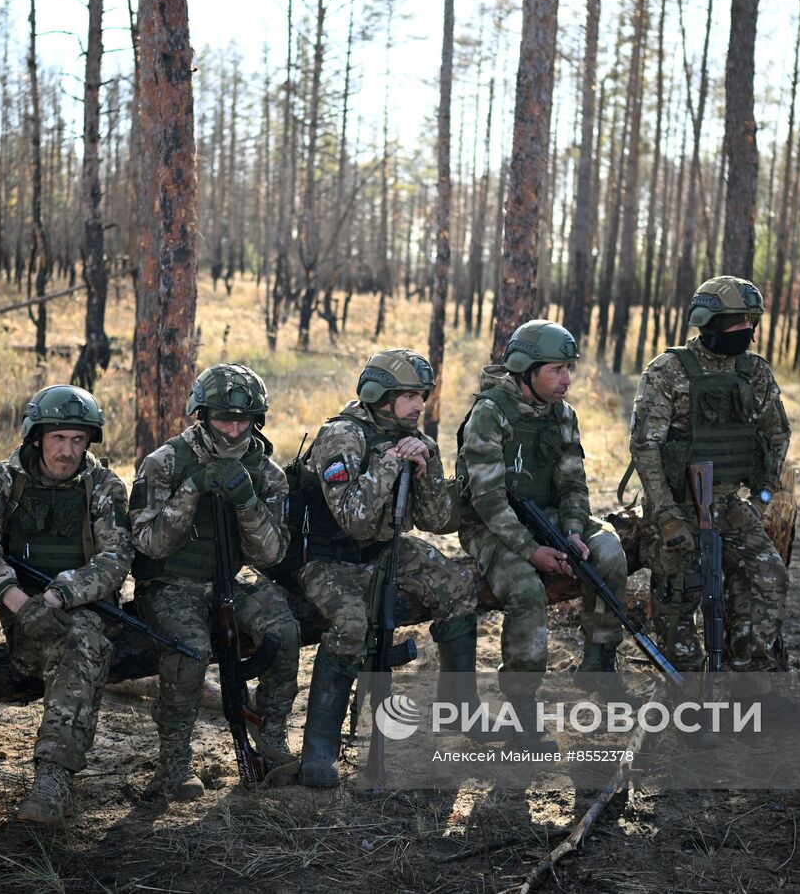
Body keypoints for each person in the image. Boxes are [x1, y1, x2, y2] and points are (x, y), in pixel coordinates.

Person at [294, 349, 484, 788]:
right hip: (327, 558)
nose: (420, 405)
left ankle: (460, 706)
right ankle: (319, 747)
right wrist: (388, 463)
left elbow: (437, 521)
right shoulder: (340, 436)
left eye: (423, 395)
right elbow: (354, 520)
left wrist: (427, 466)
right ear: (381, 395)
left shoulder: (412, 437)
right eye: (411, 396)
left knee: (456, 585)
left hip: (380, 550)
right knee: (351, 622)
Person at [629, 275, 800, 719]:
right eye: (739, 321)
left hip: (729, 504)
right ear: (709, 322)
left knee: (769, 576)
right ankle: (685, 699)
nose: (747, 330)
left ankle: (755, 690)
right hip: (676, 506)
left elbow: (777, 433)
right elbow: (645, 446)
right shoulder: (668, 371)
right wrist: (668, 515)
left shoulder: (755, 372)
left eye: (753, 322)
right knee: (681, 596)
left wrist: (763, 497)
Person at [0, 385, 131, 826]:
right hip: (21, 611)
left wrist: (59, 595)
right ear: (37, 437)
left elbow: (115, 559)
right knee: (70, 643)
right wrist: (17, 599)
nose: (68, 450)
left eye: (78, 440)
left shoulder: (105, 486)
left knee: (81, 642)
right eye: (59, 439)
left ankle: (53, 778)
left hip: (87, 608)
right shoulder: (4, 480)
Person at [456, 320, 631, 750]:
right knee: (525, 589)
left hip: (549, 516)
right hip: (492, 524)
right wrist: (532, 551)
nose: (567, 380)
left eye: (569, 368)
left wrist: (572, 532)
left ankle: (598, 662)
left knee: (610, 551)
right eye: (556, 369)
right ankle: (521, 712)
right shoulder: (490, 413)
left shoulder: (563, 415)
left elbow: (574, 485)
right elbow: (488, 500)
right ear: (527, 369)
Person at [129, 363, 300, 799]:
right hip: (172, 581)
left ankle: (272, 734)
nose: (233, 429)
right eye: (224, 418)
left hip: (234, 576)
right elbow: (149, 544)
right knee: (190, 650)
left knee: (283, 632)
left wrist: (246, 500)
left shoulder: (267, 473)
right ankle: (174, 764)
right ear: (201, 415)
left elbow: (271, 553)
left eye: (244, 420)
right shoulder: (165, 462)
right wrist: (191, 491)